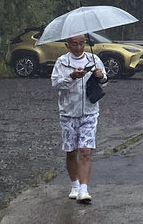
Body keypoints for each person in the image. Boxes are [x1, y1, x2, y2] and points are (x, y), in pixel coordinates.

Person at [51, 34, 108, 204]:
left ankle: (84, 189)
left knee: (86, 150)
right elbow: (55, 84)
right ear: (67, 45)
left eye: (82, 43)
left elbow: (104, 81)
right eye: (74, 44)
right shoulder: (62, 62)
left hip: (90, 111)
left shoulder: (94, 59)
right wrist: (71, 77)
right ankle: (74, 184)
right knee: (71, 150)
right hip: (68, 112)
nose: (79, 47)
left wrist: (100, 76)